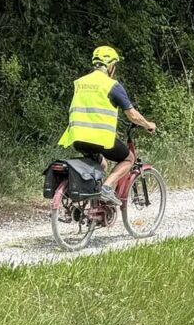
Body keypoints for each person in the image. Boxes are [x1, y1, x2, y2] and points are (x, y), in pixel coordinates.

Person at [58, 46, 156, 206]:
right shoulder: (111, 85)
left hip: (77, 138)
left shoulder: (80, 83)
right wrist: (148, 125)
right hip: (100, 139)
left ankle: (91, 205)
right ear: (110, 66)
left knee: (101, 164)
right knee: (129, 158)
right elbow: (132, 115)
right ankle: (107, 188)